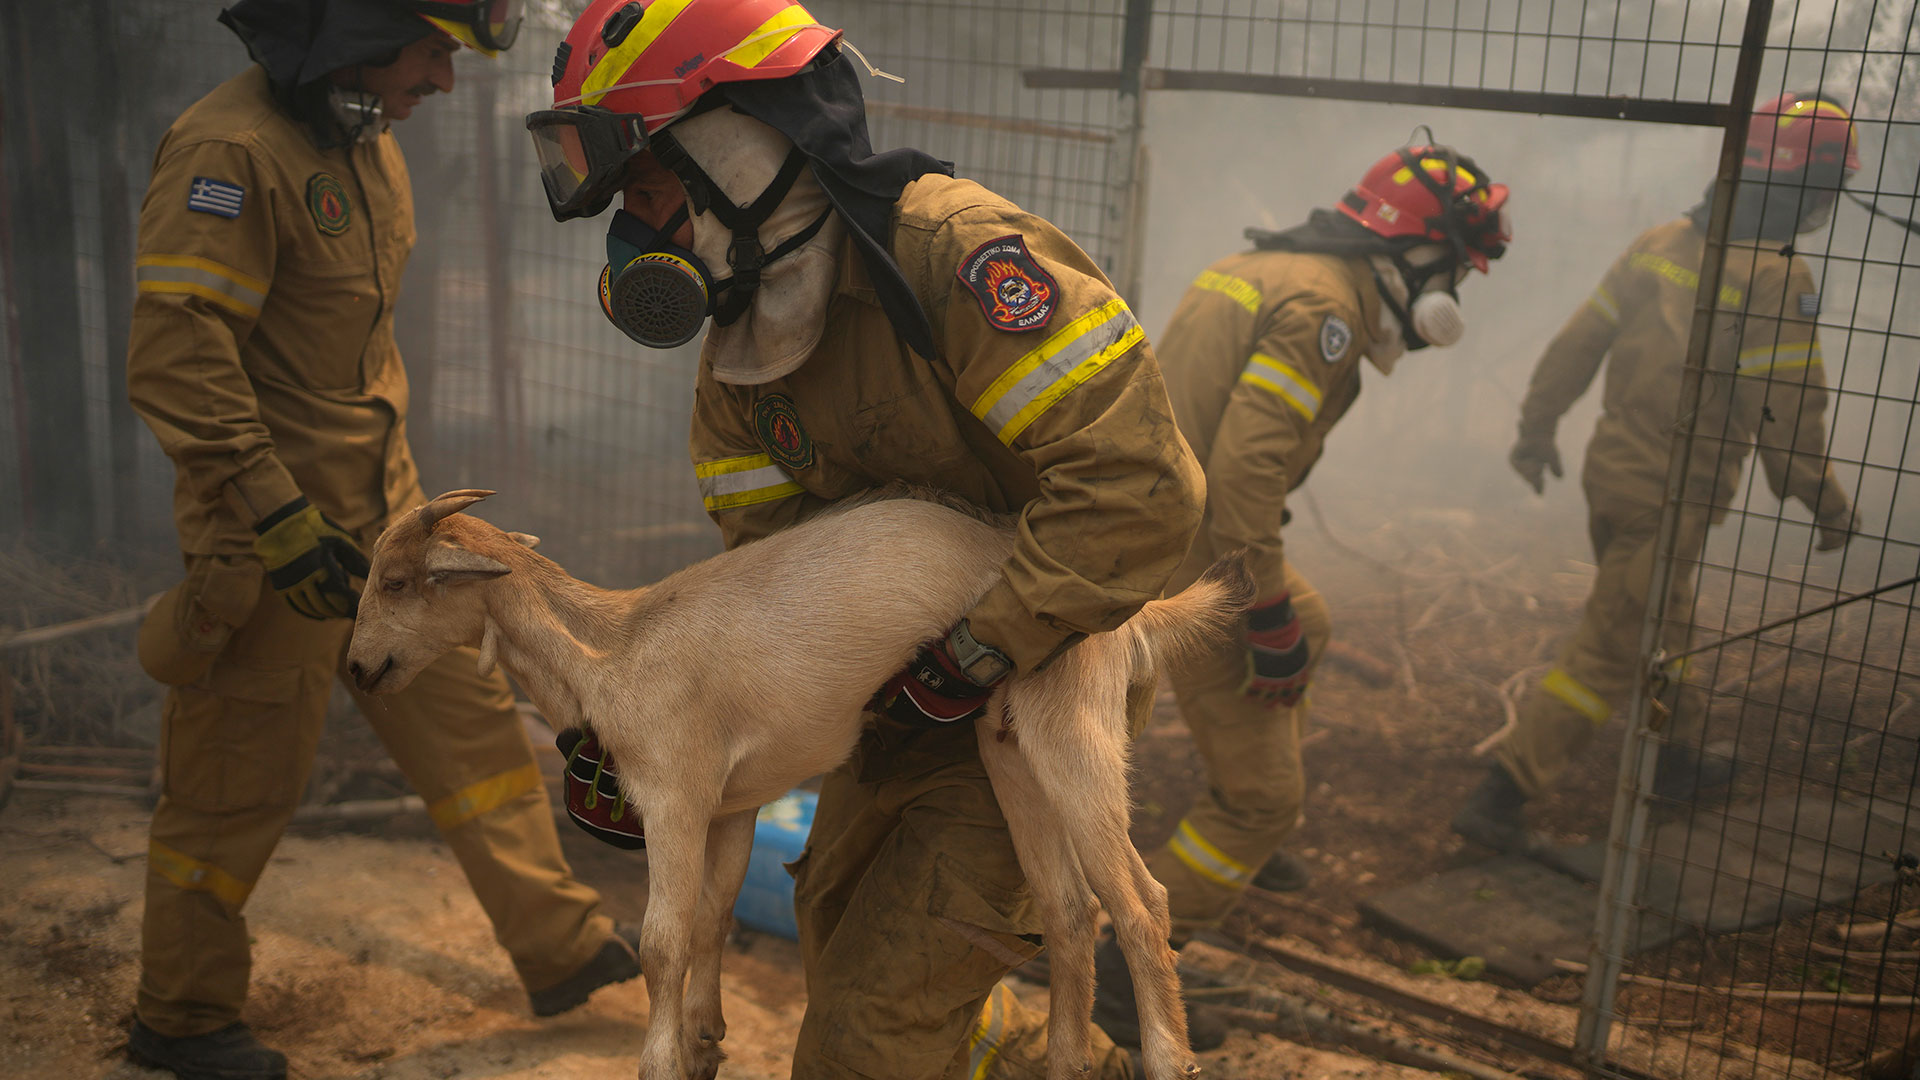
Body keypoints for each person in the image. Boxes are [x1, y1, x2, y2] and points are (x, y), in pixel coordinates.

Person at [528, 0, 1206, 1075]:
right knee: (855, 966)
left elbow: (1140, 488)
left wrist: (984, 644)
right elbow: (770, 598)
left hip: (1032, 691)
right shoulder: (739, 364)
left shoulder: (954, 258)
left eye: (648, 187)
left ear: (735, 152)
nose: (636, 235)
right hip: (890, 713)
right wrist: (657, 737)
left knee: (861, 1040)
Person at [124, 3, 643, 1077]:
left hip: (389, 527)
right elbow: (179, 353)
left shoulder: (364, 144)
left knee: (471, 726)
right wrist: (273, 515)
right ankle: (180, 1016)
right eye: (435, 52)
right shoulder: (230, 154)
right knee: (236, 776)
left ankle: (557, 949)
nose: (445, 82)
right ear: (359, 28)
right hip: (268, 542)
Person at [1079, 142, 1510, 1036]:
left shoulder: (1265, 265)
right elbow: (1246, 476)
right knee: (1268, 798)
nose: (1453, 295)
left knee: (1309, 618)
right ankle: (1130, 968)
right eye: (1455, 269)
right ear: (1417, 251)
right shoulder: (1328, 311)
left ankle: (1247, 835)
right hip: (1186, 558)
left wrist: (1284, 612)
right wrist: (1261, 609)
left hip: (1149, 518)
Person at [1452, 92, 1860, 854]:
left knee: (1660, 616)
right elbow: (1786, 405)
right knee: (1611, 642)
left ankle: (1677, 757)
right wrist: (1824, 499)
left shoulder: (1660, 241)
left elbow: (1579, 342)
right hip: (1675, 491)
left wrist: (1536, 429)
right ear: (1803, 191)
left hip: (1613, 474)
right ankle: (1501, 795)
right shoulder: (1779, 274)